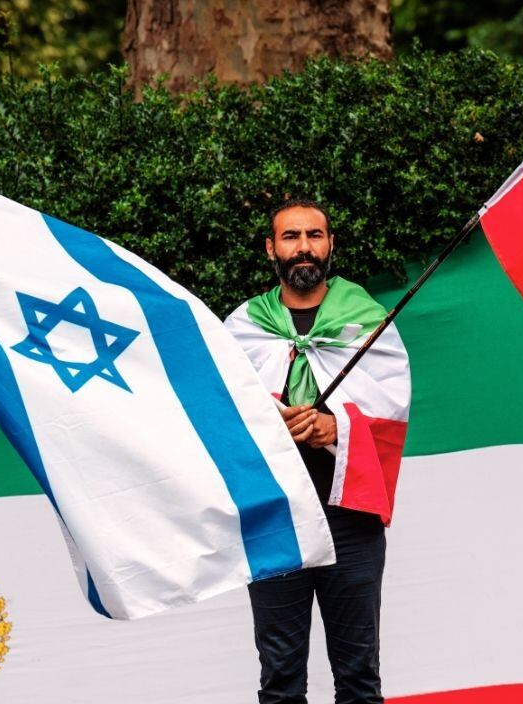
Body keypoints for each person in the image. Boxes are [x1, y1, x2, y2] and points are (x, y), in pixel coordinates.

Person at [224, 199, 410, 704]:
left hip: (349, 519)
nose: (303, 246)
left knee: (358, 674)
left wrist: (336, 427)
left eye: (315, 235)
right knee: (280, 676)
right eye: (290, 237)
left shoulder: (367, 321)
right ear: (271, 249)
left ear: (330, 245)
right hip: (274, 516)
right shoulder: (243, 326)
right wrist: (272, 423)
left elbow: (393, 411)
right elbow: (221, 412)